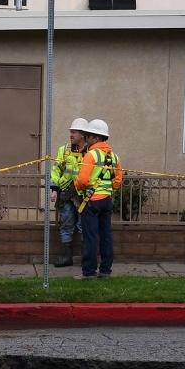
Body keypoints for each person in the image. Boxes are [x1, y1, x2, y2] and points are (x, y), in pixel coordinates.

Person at [72, 118, 121, 278]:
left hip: (91, 202)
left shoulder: (91, 155)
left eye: (89, 136)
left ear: (96, 138)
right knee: (106, 236)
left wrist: (78, 185)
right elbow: (117, 182)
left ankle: (89, 272)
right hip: (107, 201)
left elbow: (83, 180)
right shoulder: (114, 157)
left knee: (90, 237)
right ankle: (106, 271)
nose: (87, 139)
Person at [48, 118, 89, 267]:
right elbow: (56, 170)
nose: (71, 134)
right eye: (71, 131)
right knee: (66, 225)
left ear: (83, 134)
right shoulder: (64, 150)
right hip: (66, 194)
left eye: (74, 132)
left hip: (84, 195)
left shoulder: (91, 152)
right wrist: (54, 189)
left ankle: (86, 259)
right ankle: (67, 258)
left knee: (83, 226)